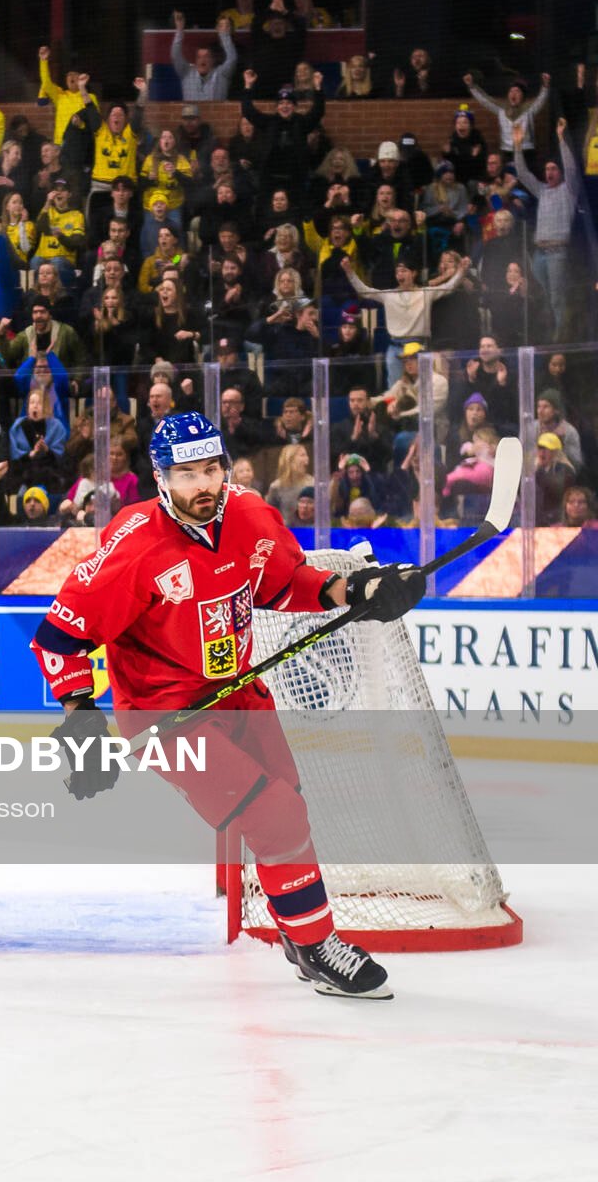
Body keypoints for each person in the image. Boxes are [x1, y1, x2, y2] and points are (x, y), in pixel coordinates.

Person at [31, 413, 427, 999]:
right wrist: (83, 718)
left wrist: (359, 590)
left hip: (238, 690)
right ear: (162, 479)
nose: (204, 485)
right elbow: (61, 639)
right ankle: (318, 946)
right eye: (187, 473)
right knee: (275, 817)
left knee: (287, 806)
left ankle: (298, 935)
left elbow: (286, 585)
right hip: (168, 718)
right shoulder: (135, 544)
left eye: (212, 468)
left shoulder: (248, 515)